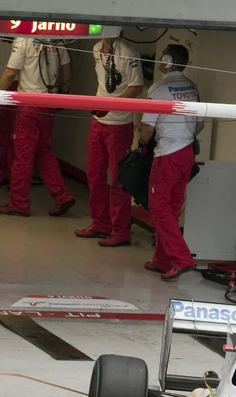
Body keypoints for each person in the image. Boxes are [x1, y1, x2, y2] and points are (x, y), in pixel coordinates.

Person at [138, 44, 204, 281]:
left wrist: (140, 144)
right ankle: (162, 260)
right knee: (172, 207)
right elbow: (200, 125)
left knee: (158, 208)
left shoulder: (159, 89)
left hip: (168, 154)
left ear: (165, 61)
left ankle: (182, 258)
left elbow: (147, 130)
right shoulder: (192, 87)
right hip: (187, 153)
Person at [75, 34, 144, 247]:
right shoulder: (96, 49)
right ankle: (100, 222)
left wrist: (111, 104)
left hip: (120, 124)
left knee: (118, 179)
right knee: (94, 176)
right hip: (98, 121)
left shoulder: (129, 52)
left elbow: (136, 87)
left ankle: (121, 230)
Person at [0, 37, 75, 217]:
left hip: (29, 104)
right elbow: (67, 69)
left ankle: (18, 203)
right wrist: (63, 93)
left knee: (23, 156)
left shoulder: (23, 40)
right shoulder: (59, 40)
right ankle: (62, 196)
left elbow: (10, 73)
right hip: (49, 102)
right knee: (44, 151)